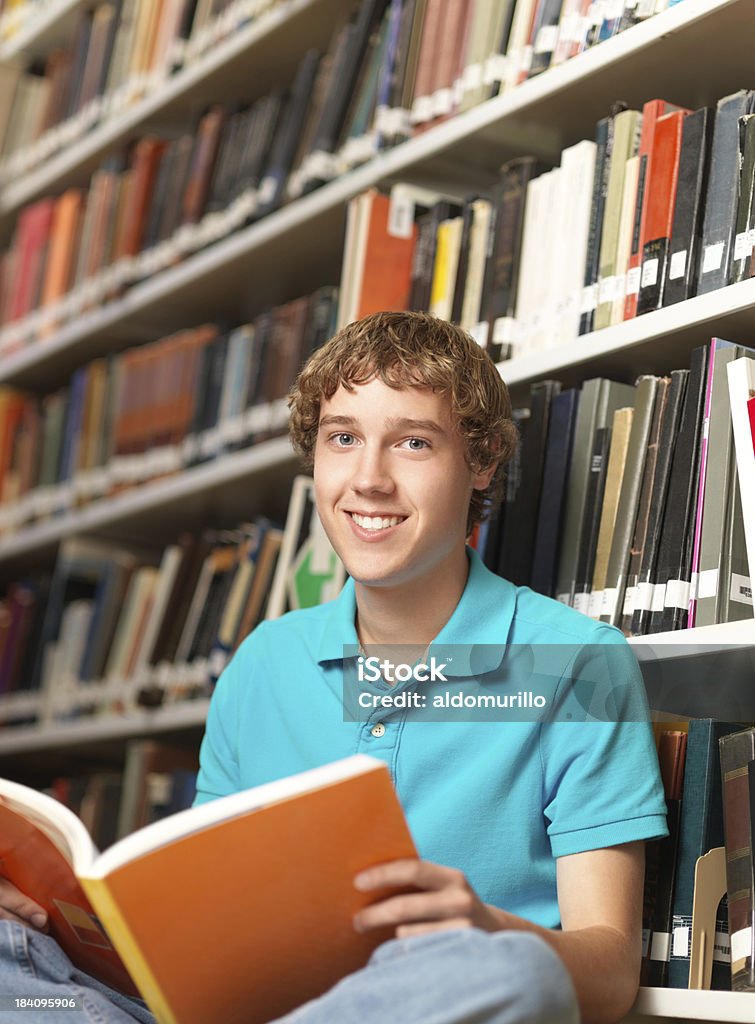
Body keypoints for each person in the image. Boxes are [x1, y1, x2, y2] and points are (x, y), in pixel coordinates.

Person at [0, 311, 667, 1024]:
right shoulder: (262, 661)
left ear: (481, 463)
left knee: (509, 971)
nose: (368, 480)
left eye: (412, 442)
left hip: (432, 1002)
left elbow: (608, 973)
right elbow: (210, 936)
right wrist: (55, 924)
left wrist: (487, 926)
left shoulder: (580, 663)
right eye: (342, 439)